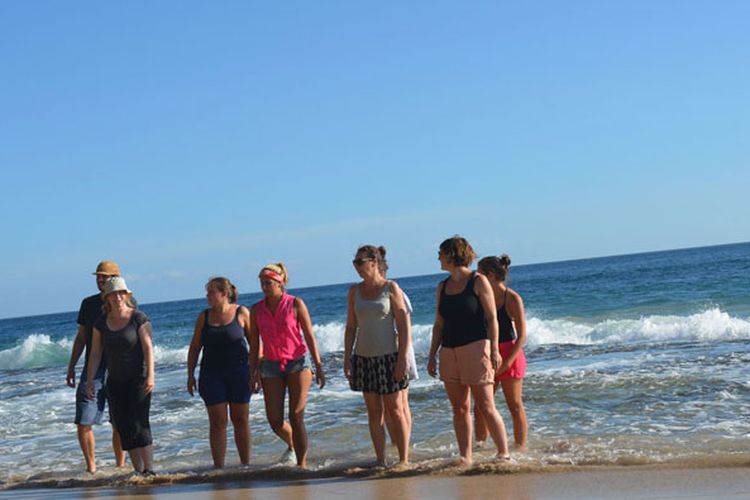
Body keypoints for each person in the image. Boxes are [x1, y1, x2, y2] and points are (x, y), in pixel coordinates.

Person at [427, 236, 510, 465]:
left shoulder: (478, 280)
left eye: (441, 253)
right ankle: (466, 456)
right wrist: (432, 355)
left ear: (452, 255)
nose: (438, 258)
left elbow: (492, 318)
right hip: (449, 350)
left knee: (485, 404)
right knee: (460, 408)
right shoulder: (442, 286)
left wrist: (494, 349)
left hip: (476, 347)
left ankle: (503, 453)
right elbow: (439, 324)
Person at [249, 263, 325, 468]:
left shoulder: (295, 304)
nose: (264, 287)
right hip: (270, 366)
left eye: (268, 283)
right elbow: (255, 344)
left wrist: (318, 365)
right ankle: (292, 445)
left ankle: (301, 464)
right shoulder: (256, 310)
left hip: (298, 363)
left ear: (280, 282)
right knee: (274, 420)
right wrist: (253, 373)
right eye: (262, 283)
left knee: (296, 415)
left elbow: (309, 336)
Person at [344, 245, 411, 465]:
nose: (357, 267)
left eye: (360, 262)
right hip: (363, 358)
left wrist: (401, 360)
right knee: (374, 412)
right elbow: (351, 327)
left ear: (373, 262)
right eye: (355, 263)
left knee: (395, 410)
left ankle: (403, 460)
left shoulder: (391, 287)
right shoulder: (354, 291)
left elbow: (403, 326)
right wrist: (347, 359)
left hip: (389, 356)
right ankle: (380, 459)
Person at [86, 277, 155, 475]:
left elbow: (148, 347)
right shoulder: (101, 323)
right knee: (124, 426)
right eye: (113, 294)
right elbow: (96, 353)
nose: (117, 297)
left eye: (121, 293)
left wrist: (150, 375)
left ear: (126, 295)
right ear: (106, 298)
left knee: (139, 423)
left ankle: (149, 469)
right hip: (115, 382)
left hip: (139, 379)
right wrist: (91, 380)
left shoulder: (138, 317)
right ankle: (138, 471)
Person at [65, 260, 126, 473]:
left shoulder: (126, 300)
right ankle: (91, 469)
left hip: (120, 367)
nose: (100, 280)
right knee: (83, 419)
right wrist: (71, 366)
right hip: (93, 369)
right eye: (98, 277)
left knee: (118, 421)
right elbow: (81, 338)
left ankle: (120, 467)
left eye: (104, 276)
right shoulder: (88, 304)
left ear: (116, 278)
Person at [187, 277, 253, 468]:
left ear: (224, 294)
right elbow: (194, 347)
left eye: (211, 292)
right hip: (211, 375)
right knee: (217, 422)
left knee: (240, 419)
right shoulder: (204, 316)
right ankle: (219, 468)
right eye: (207, 293)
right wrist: (190, 375)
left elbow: (256, 344)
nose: (208, 296)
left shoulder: (241, 312)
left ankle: (246, 465)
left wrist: (257, 371)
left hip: (239, 373)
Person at [474, 255, 528, 449]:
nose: (475, 277)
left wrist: (506, 363)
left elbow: (522, 336)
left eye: (478, 273)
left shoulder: (511, 298)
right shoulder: (479, 298)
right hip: (487, 354)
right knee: (481, 407)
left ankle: (520, 448)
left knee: (514, 405)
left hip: (510, 353)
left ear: (489, 275)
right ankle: (480, 447)